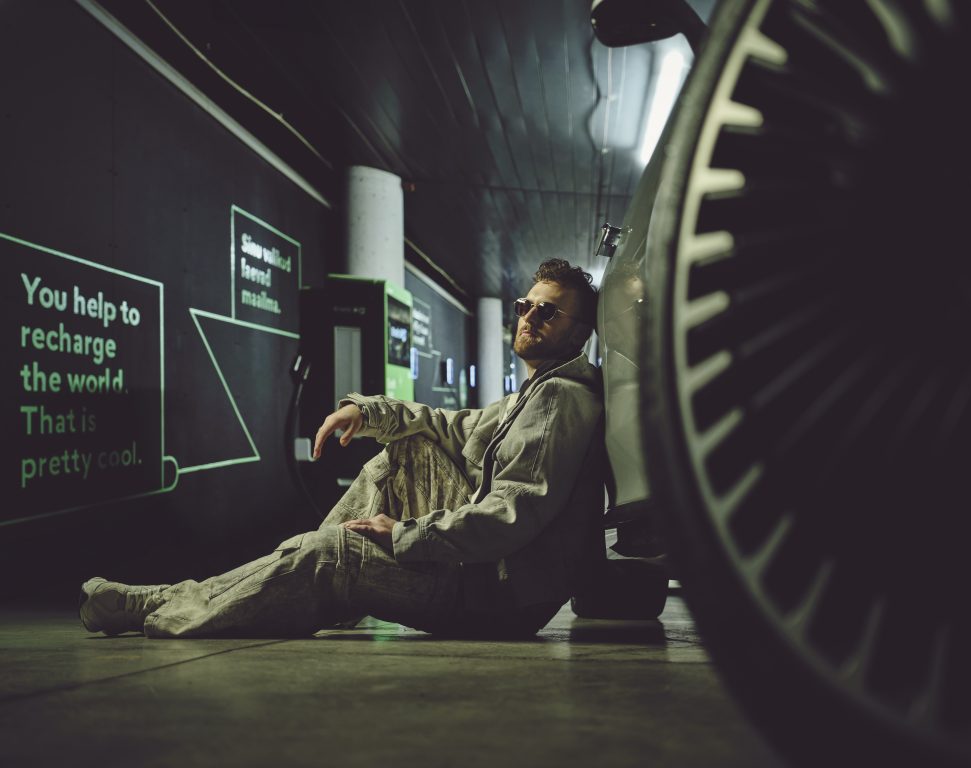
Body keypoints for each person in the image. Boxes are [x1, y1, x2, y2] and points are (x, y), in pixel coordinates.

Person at [79, 259, 606, 638]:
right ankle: (303, 573)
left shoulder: (559, 399)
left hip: (497, 599)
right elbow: (448, 423)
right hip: (494, 576)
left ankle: (164, 608)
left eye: (549, 313)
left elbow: (514, 515)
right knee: (400, 451)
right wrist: (369, 410)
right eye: (526, 306)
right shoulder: (533, 392)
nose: (530, 317)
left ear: (578, 334)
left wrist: (403, 534)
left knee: (333, 553)